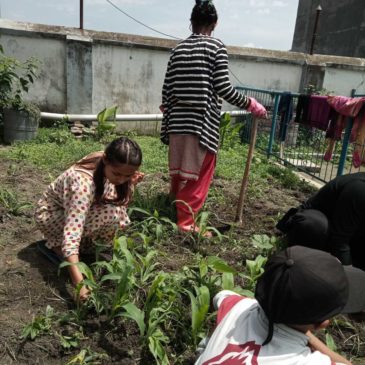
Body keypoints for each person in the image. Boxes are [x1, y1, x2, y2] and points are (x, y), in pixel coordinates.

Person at [160, 0, 267, 234]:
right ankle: (186, 223)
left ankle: (172, 199)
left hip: (177, 120)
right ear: (214, 24)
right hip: (200, 123)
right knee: (201, 171)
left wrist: (168, 116)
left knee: (180, 167)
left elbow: (167, 89)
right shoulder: (216, 47)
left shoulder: (177, 50)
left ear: (191, 22)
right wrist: (250, 103)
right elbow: (223, 87)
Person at [195, 245, 365, 365]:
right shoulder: (307, 361)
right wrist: (308, 337)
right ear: (322, 324)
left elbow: (221, 296)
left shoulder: (237, 305)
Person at [35, 136, 143, 299]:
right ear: (106, 159)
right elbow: (73, 232)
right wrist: (79, 285)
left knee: (116, 210)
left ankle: (82, 247)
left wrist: (131, 184)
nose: (121, 180)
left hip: (70, 208)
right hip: (50, 215)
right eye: (117, 174)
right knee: (110, 214)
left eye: (127, 175)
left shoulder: (107, 164)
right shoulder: (83, 185)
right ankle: (57, 248)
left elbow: (119, 199)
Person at [276, 172, 365, 270]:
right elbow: (340, 238)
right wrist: (349, 274)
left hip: (345, 227)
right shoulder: (359, 189)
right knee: (315, 225)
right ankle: (303, 266)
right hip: (321, 225)